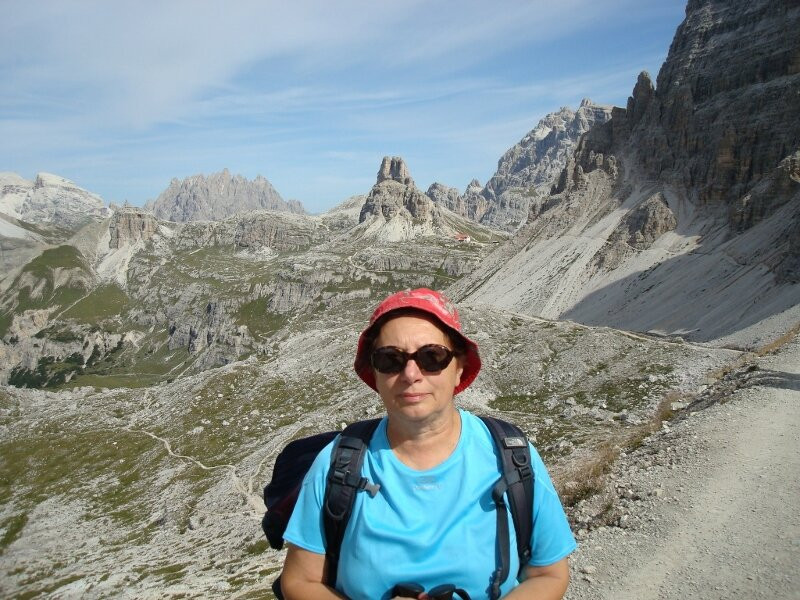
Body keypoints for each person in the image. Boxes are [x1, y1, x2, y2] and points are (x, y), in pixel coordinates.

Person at [280, 288, 576, 599]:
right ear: (376, 373)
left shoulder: (513, 456)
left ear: (459, 366)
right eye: (390, 359)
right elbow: (300, 582)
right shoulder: (337, 462)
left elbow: (549, 574)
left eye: (431, 357)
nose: (410, 374)